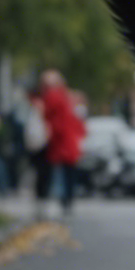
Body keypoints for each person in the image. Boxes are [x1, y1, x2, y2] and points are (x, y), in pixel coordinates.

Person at [37, 69, 86, 217]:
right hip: (69, 142)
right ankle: (66, 203)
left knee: (53, 173)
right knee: (68, 174)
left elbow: (52, 120)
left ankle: (55, 202)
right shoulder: (67, 96)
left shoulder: (52, 96)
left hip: (58, 142)